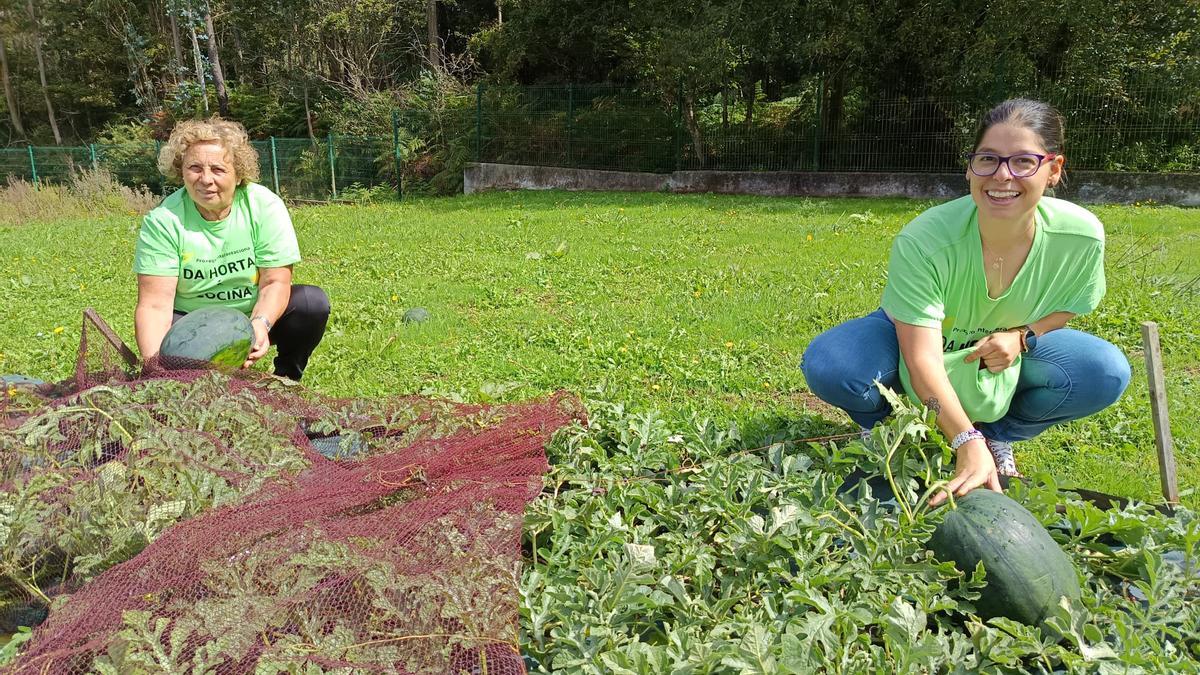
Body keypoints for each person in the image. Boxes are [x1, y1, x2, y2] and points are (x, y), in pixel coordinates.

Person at [801, 99, 1130, 506]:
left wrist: (1023, 335)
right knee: (833, 365)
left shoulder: (1080, 236)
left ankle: (997, 437)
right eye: (988, 159)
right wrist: (962, 436)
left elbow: (1072, 304)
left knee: (1104, 372)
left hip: (1001, 352)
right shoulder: (926, 240)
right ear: (970, 167)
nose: (1002, 176)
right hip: (915, 338)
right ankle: (889, 431)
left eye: (1024, 161)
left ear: (1054, 169)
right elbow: (922, 358)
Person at [133, 118, 330, 381]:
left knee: (311, 303)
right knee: (178, 369)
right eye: (194, 168)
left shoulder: (264, 206)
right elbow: (155, 306)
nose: (205, 180)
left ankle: (287, 378)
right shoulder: (163, 221)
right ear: (180, 171)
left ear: (238, 175)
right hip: (192, 322)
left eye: (218, 169)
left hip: (252, 312)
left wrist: (260, 324)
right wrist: (156, 370)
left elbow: (275, 282)